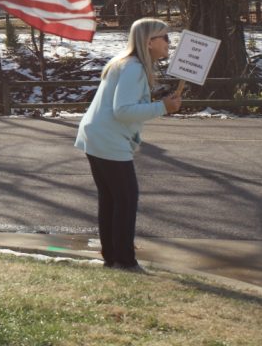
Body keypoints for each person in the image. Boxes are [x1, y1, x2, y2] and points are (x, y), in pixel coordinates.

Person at [75, 18, 182, 271]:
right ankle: (124, 260)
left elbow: (125, 104)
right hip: (109, 139)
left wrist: (160, 103)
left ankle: (112, 256)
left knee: (111, 199)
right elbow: (123, 110)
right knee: (125, 199)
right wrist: (162, 107)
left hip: (96, 136)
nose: (169, 42)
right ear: (149, 41)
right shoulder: (134, 67)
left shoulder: (123, 62)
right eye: (164, 37)